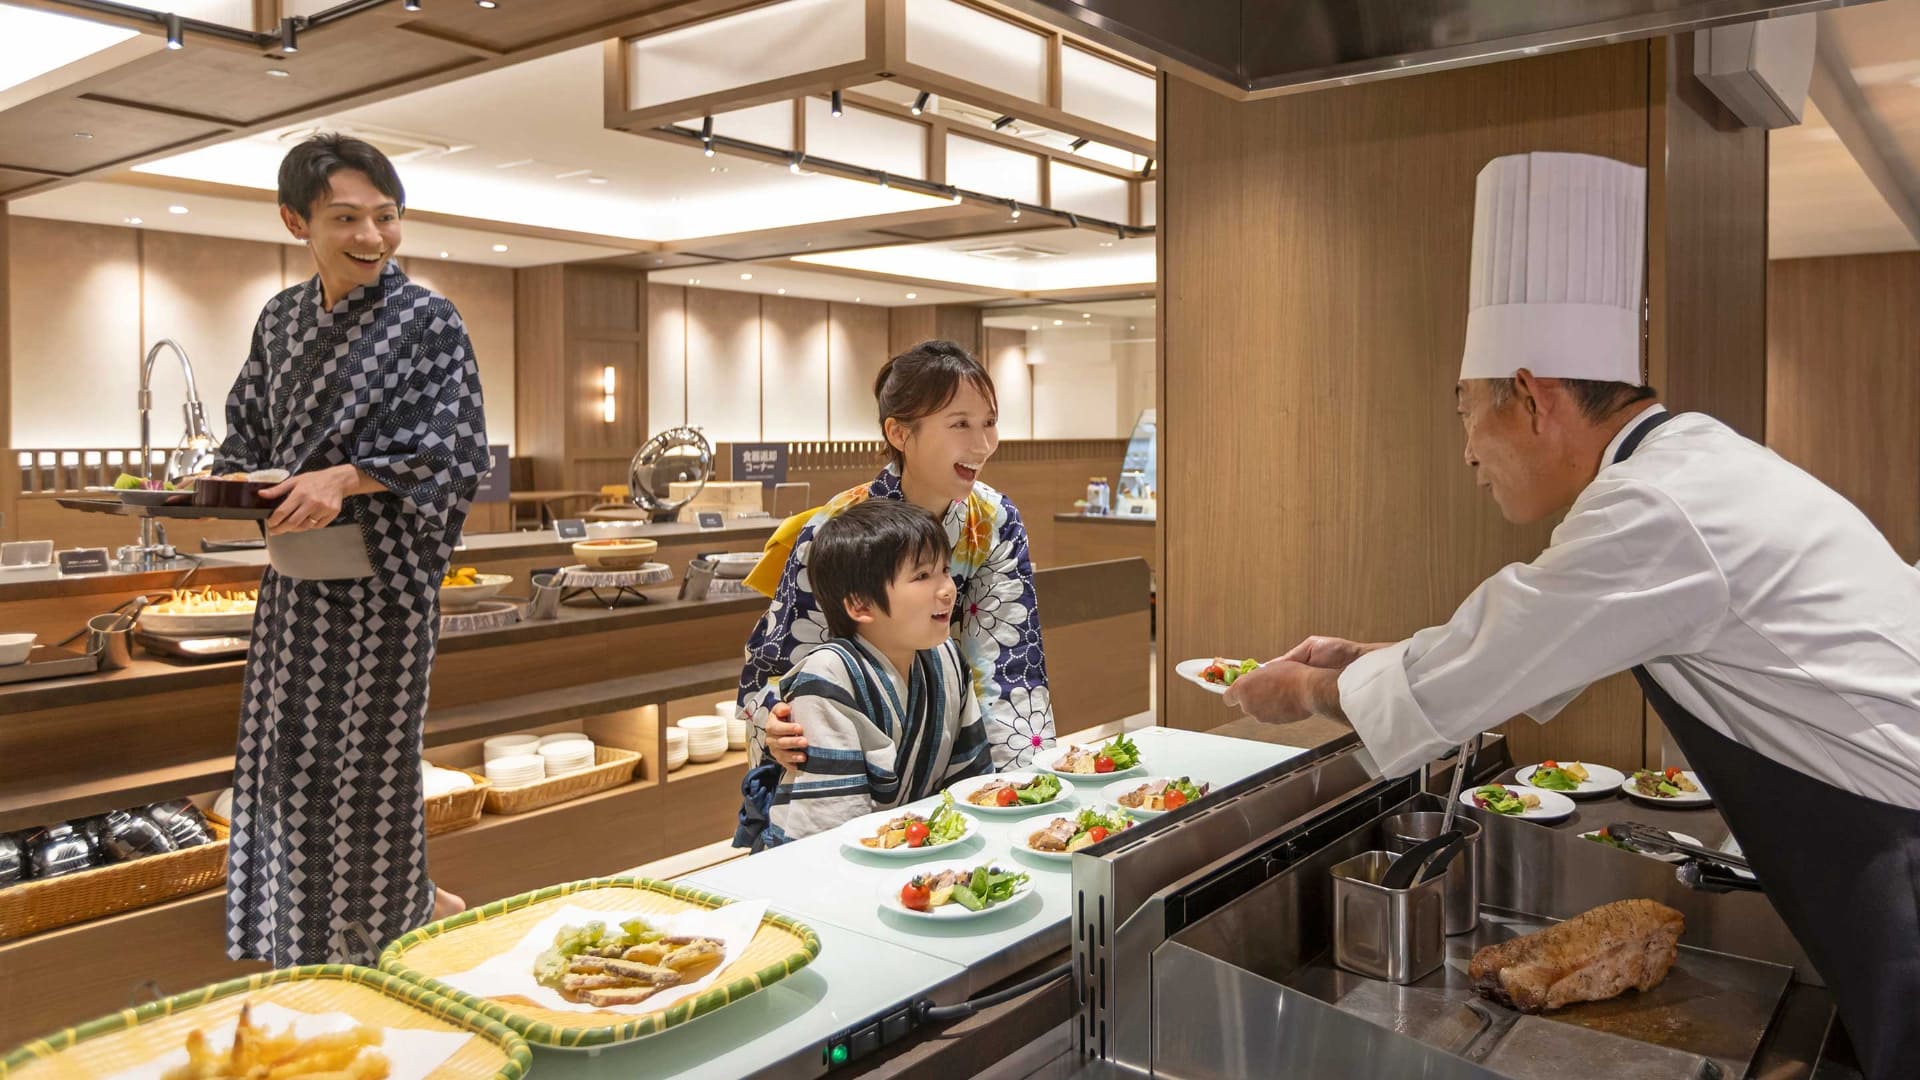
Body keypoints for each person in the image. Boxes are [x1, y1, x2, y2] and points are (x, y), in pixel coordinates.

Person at [1224, 151, 1920, 1080]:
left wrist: (1301, 690)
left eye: (1466, 411)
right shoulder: (1683, 463)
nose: (1467, 451)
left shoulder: (1650, 508)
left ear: (1533, 397)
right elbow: (1539, 644)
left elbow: (1495, 659)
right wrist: (1363, 657)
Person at [213, 133, 490, 967]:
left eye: (386, 216)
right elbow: (247, 435)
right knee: (282, 763)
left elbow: (457, 451)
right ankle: (296, 936)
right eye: (347, 218)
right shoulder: (281, 319)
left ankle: (383, 937)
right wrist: (222, 484)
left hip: (384, 588)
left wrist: (347, 477)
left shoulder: (426, 319)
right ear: (297, 221)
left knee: (365, 773)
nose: (372, 237)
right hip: (294, 584)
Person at [734, 340, 1052, 851]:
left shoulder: (991, 521)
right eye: (960, 424)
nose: (983, 443)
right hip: (835, 734)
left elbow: (1008, 665)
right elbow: (780, 661)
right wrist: (775, 718)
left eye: (989, 422)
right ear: (900, 433)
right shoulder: (839, 530)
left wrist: (1021, 797)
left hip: (934, 722)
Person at [763, 500, 994, 846]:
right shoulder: (829, 675)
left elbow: (971, 785)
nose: (947, 589)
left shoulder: (946, 657)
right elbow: (834, 831)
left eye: (944, 570)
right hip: (826, 863)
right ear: (860, 605)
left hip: (913, 853)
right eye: (922, 576)